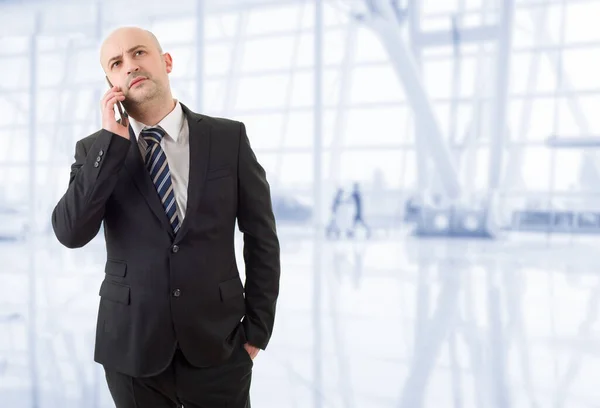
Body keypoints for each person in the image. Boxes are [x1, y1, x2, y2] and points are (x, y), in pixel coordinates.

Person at [51, 26, 280, 408]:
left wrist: (257, 331)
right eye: (116, 63)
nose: (130, 66)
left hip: (220, 347)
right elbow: (70, 232)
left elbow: (262, 238)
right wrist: (110, 143)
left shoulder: (229, 138)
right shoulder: (95, 150)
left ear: (166, 61)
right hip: (131, 350)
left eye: (139, 53)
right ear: (110, 82)